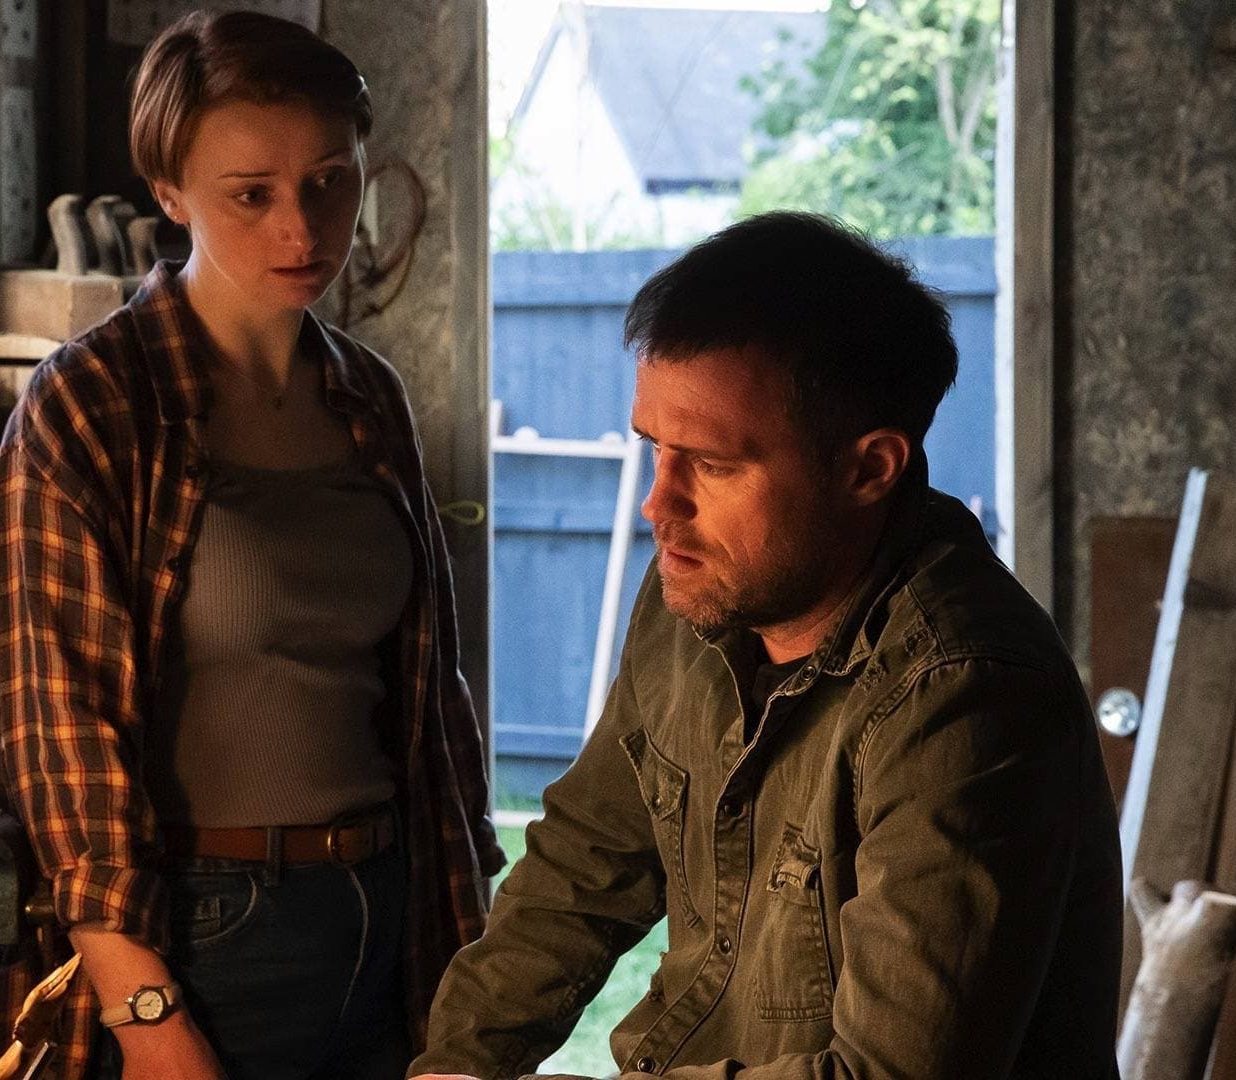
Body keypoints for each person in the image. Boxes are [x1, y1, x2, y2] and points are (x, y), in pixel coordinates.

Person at [411, 212, 1122, 1080]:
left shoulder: (967, 691)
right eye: (655, 448)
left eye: (712, 464)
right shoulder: (698, 595)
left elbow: (889, 1075)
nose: (658, 504)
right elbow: (583, 865)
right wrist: (457, 1064)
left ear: (868, 469)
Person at [0, 12, 502, 1080]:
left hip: (388, 913)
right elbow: (58, 734)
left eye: (329, 183)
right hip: (204, 934)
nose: (301, 229)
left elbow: (430, 699)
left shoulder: (370, 397)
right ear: (170, 193)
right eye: (251, 195)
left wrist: (463, 928)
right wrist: (145, 1012)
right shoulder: (91, 404)